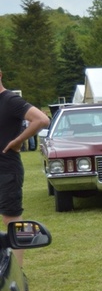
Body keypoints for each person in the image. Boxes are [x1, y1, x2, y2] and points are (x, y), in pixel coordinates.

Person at [0, 67, 50, 267]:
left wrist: (18, 140)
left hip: (6, 170)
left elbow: (42, 119)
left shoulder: (10, 100)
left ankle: (17, 273)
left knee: (12, 220)